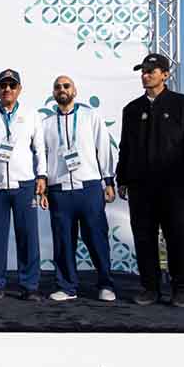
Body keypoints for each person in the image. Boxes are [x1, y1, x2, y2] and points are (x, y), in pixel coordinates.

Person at [117, 53, 184, 308]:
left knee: (177, 237)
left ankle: (179, 288)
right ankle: (150, 287)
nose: (145, 75)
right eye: (143, 72)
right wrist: (122, 178)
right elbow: (125, 147)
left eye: (151, 71)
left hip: (175, 187)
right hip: (141, 187)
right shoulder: (132, 109)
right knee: (144, 238)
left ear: (165, 75)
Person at [39, 75, 116, 302]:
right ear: (53, 93)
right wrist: (43, 187)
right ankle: (66, 286)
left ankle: (105, 284)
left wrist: (108, 181)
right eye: (57, 87)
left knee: (96, 238)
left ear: (75, 91)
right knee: (63, 241)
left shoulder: (90, 116)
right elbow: (42, 157)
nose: (62, 89)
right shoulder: (46, 124)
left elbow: (103, 148)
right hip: (59, 190)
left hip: (89, 187)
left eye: (66, 86)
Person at [0, 69, 47, 301]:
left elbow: (40, 148)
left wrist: (42, 176)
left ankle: (30, 285)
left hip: (25, 184)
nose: (7, 89)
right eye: (3, 85)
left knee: (28, 237)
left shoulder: (31, 115)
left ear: (19, 89)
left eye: (12, 85)